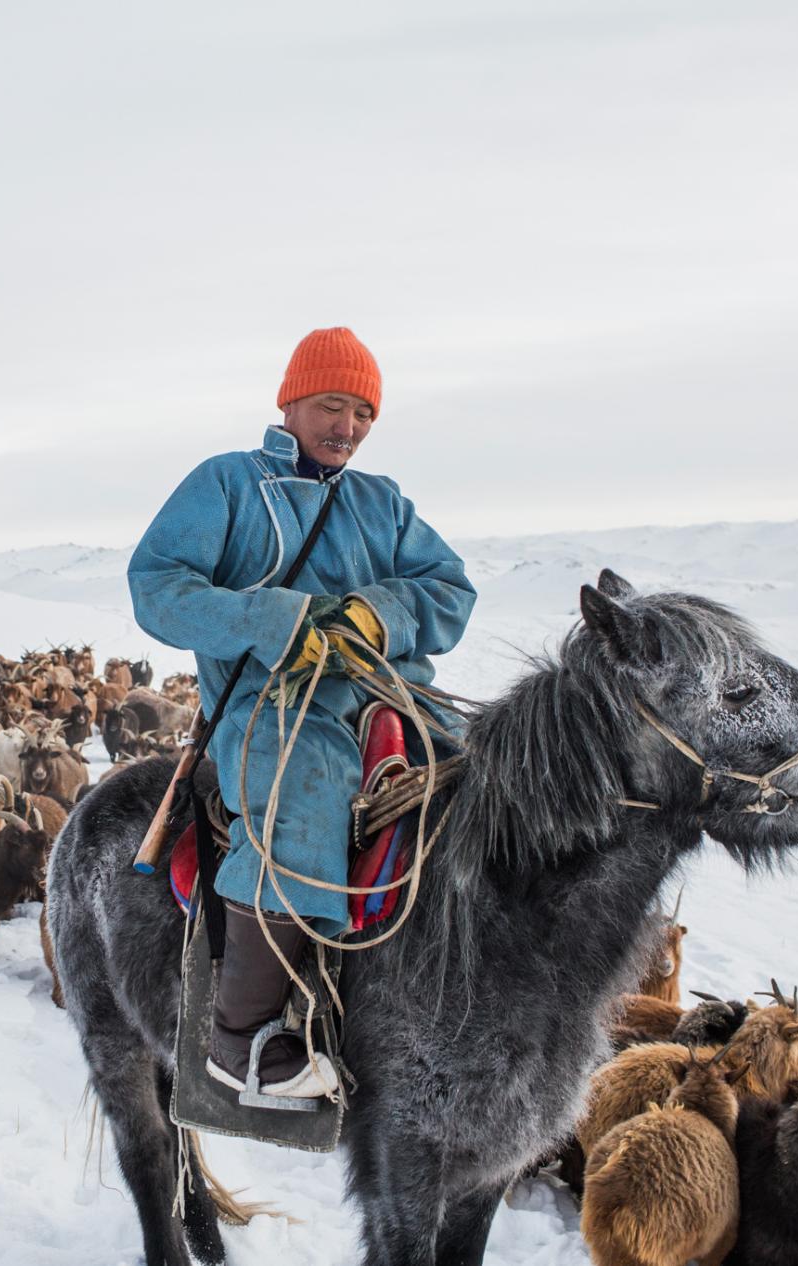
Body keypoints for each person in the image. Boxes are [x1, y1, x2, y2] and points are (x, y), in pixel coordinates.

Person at [128, 327, 476, 1101]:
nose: (345, 428)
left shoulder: (383, 503)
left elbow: (451, 591)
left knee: (485, 781)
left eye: (362, 413)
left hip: (393, 693)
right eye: (330, 406)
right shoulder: (226, 485)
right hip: (273, 698)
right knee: (305, 788)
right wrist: (271, 621)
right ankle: (241, 1037)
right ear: (290, 402)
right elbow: (156, 585)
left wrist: (377, 616)